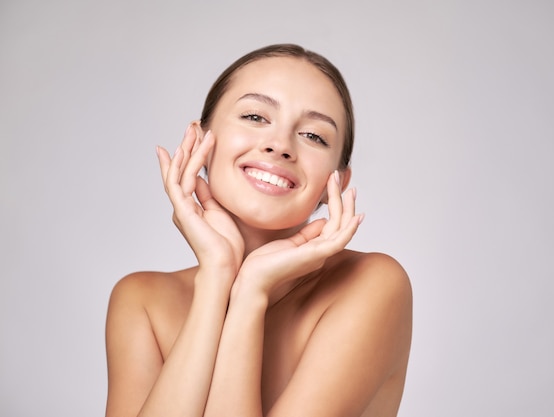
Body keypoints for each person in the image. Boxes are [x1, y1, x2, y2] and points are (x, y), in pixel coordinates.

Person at [105, 43, 412, 417]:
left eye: (313, 136)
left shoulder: (373, 284)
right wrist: (218, 279)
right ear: (200, 141)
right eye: (254, 116)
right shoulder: (141, 301)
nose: (280, 145)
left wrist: (250, 293)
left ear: (337, 182)